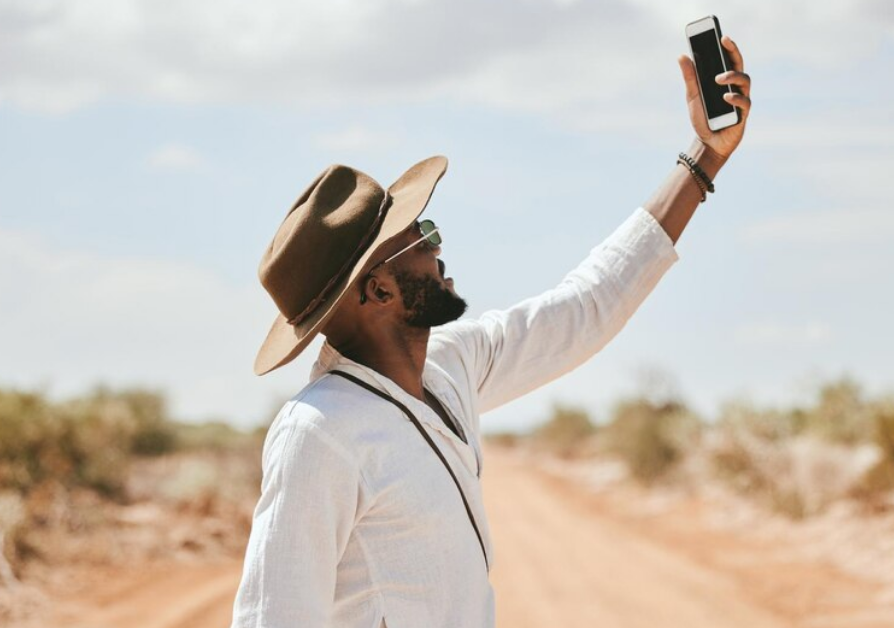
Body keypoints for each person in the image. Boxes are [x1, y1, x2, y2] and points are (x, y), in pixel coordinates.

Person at [231, 34, 751, 628]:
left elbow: (587, 304)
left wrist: (703, 157)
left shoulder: (450, 364)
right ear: (377, 289)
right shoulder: (319, 433)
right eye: (421, 236)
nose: (439, 245)